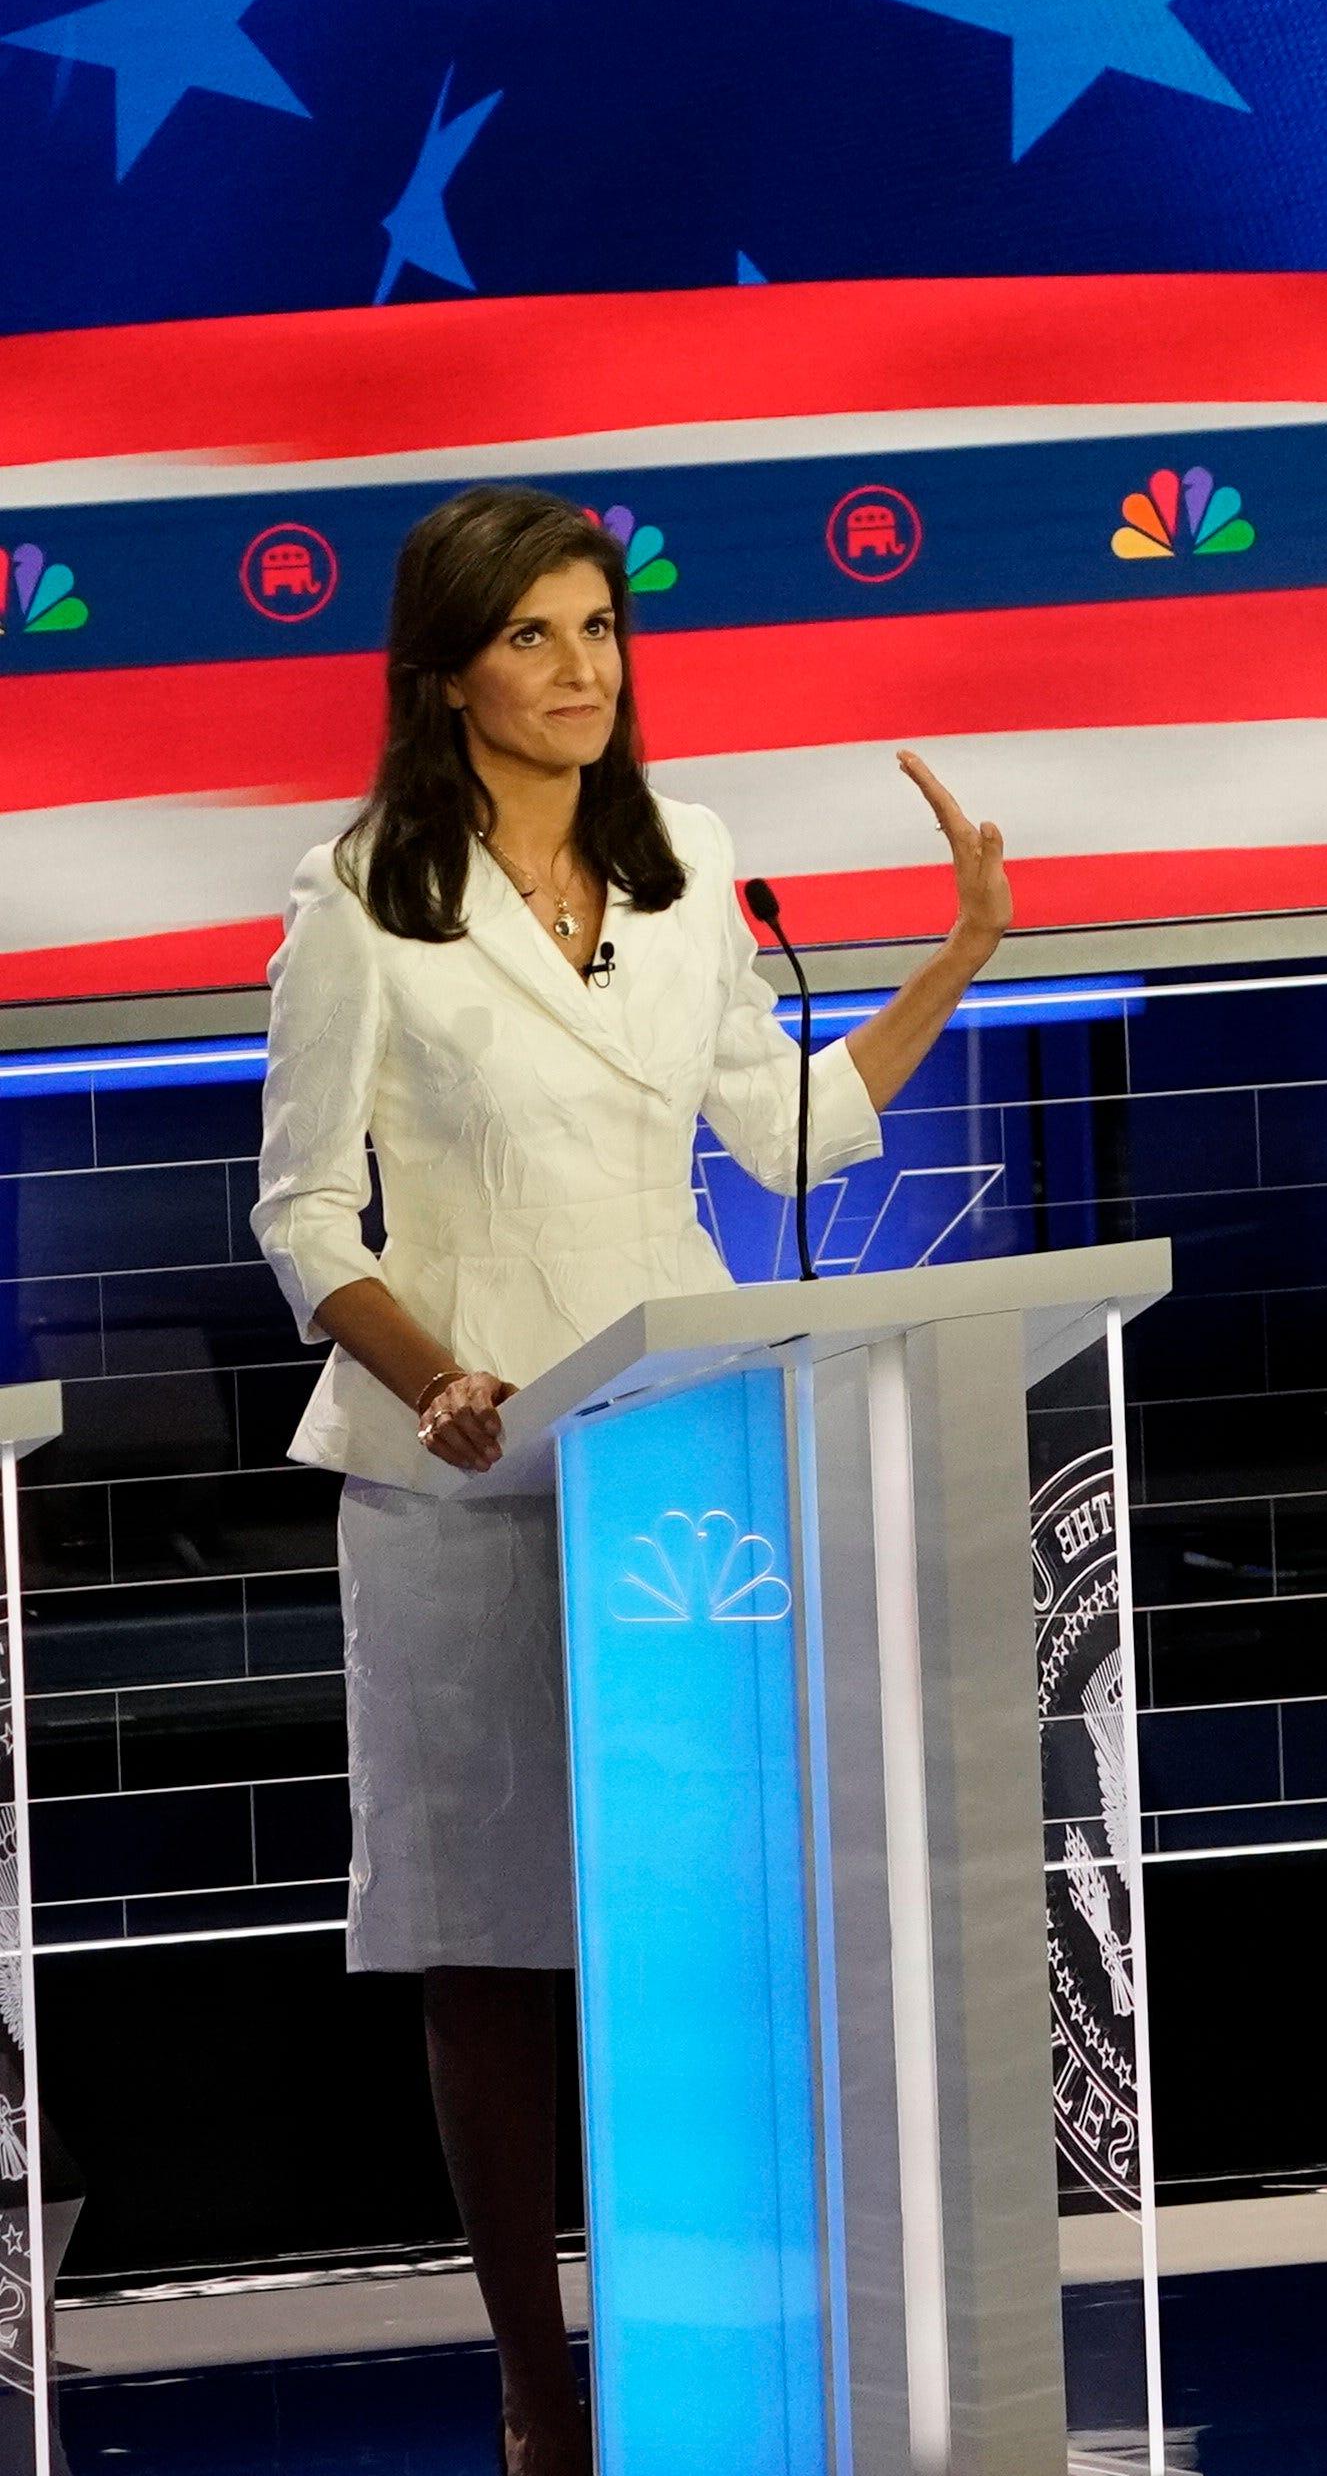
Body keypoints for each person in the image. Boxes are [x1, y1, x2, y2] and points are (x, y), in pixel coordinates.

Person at [251, 483, 1013, 2476]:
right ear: (444, 671)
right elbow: (308, 1214)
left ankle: (715, 2335)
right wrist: (438, 1378)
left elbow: (786, 1128)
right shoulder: (358, 898)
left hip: (684, 1464)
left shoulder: (693, 869)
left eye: (602, 631)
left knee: (696, 1918)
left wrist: (960, 953)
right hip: (459, 1483)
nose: (582, 670)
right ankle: (539, 2381)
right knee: (495, 1942)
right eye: (535, 637)